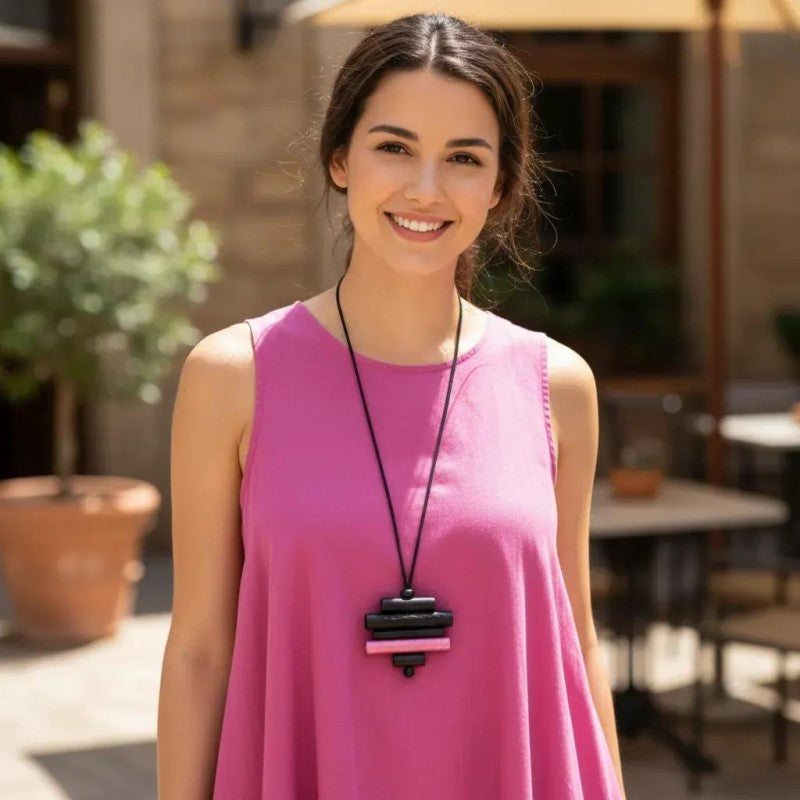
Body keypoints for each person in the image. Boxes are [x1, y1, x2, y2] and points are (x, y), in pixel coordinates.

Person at [158, 12, 627, 800]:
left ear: (501, 185)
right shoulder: (232, 376)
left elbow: (575, 639)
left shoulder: (557, 385)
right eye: (395, 147)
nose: (426, 189)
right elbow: (201, 650)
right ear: (340, 159)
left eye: (464, 158)